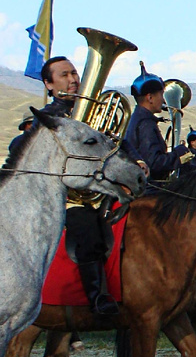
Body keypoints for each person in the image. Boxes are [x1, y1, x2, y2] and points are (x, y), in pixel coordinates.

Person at [11, 55, 120, 315]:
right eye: (64, 75)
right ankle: (97, 298)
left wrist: (136, 159)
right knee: (85, 226)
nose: (73, 79)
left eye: (74, 73)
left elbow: (113, 146)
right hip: (67, 196)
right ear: (49, 85)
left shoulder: (95, 112)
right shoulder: (47, 118)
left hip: (100, 188)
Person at [122, 62, 186, 185]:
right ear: (150, 98)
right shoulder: (145, 124)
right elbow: (154, 163)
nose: (163, 99)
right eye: (161, 94)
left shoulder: (139, 118)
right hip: (150, 189)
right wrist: (179, 153)